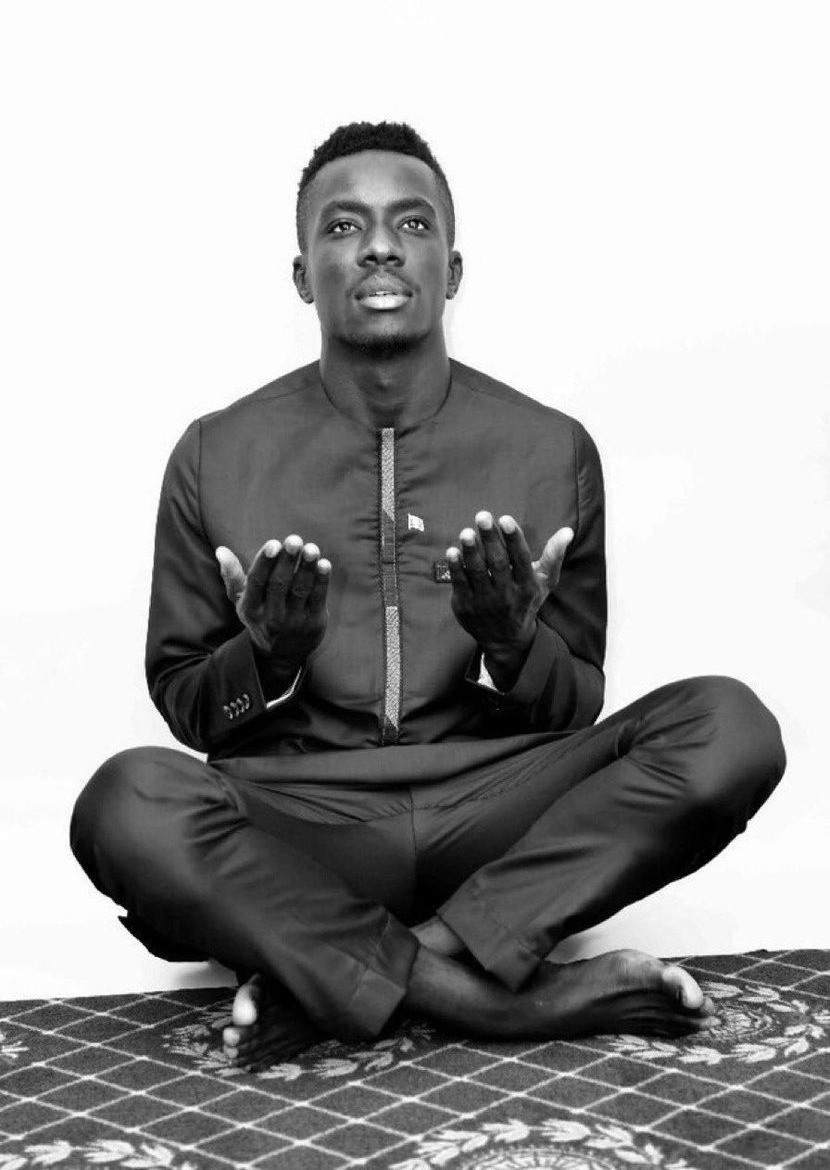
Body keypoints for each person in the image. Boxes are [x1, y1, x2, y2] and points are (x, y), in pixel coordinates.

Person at [70, 121, 786, 1071]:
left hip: (492, 807)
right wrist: (267, 657)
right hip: (306, 819)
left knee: (730, 727)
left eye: (412, 223)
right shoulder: (215, 452)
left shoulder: (551, 448)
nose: (379, 246)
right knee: (123, 802)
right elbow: (188, 705)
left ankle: (351, 978)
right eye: (343, 226)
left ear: (452, 269)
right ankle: (502, 1002)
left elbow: (573, 706)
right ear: (303, 276)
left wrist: (513, 643)